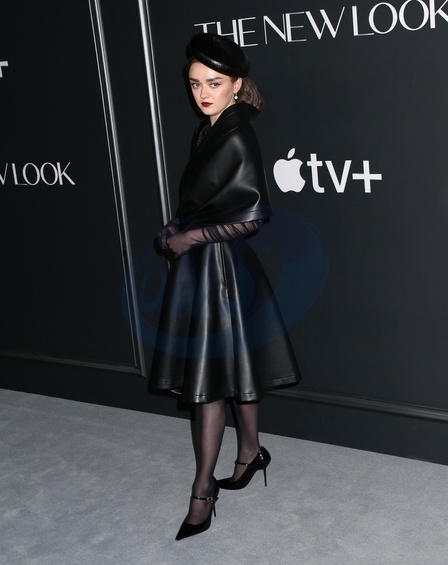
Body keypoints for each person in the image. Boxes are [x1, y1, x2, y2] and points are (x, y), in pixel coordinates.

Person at [150, 32, 300, 541]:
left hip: (220, 270)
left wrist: (189, 236)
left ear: (236, 84)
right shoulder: (210, 127)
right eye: (195, 84)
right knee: (236, 370)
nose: (203, 93)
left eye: (214, 83)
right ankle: (250, 452)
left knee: (210, 384)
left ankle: (202, 491)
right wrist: (177, 227)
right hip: (210, 268)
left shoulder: (236, 133)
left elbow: (253, 215)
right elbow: (210, 202)